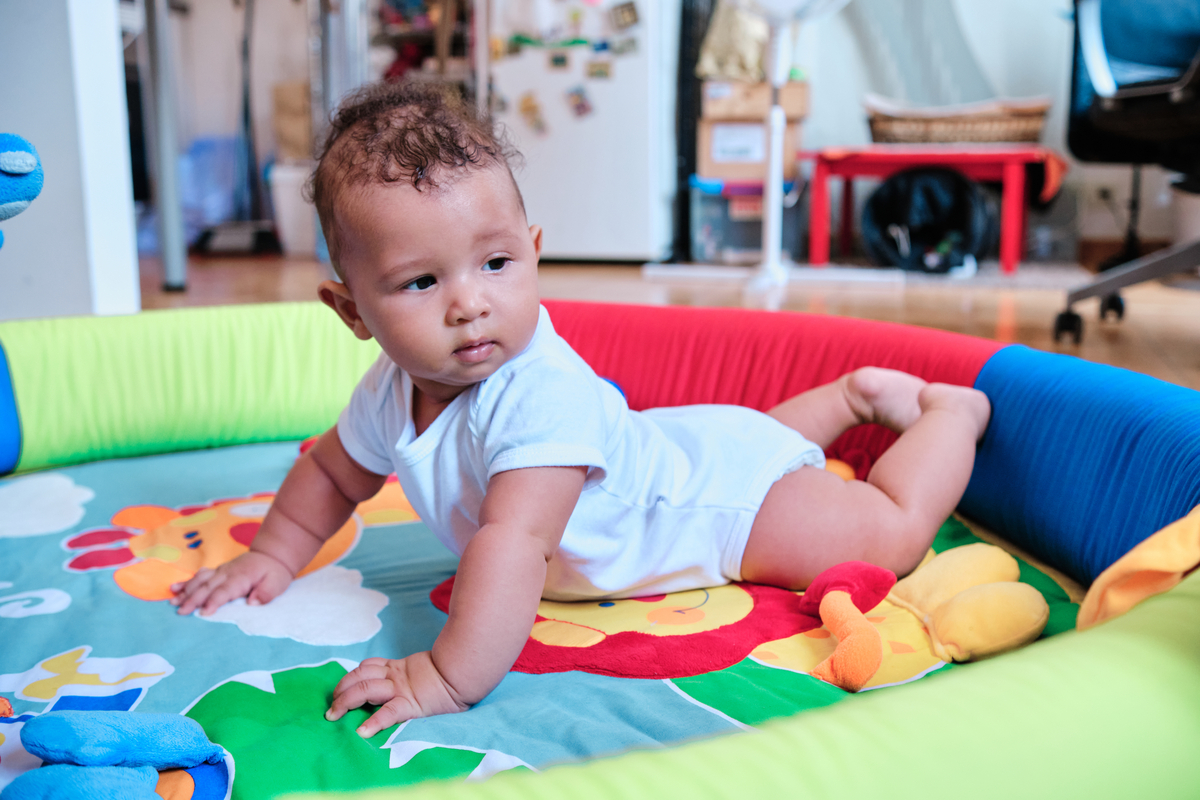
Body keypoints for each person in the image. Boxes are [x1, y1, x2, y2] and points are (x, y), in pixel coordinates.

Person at [171, 82, 991, 738]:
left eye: (494, 263)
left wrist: (445, 675)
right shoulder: (391, 389)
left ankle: (948, 416)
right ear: (353, 313)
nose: (469, 305)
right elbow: (331, 472)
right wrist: (271, 556)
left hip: (711, 512)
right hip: (673, 452)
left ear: (533, 250)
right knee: (744, 443)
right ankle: (847, 399)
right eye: (422, 282)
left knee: (881, 533)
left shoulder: (540, 395)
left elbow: (515, 541)